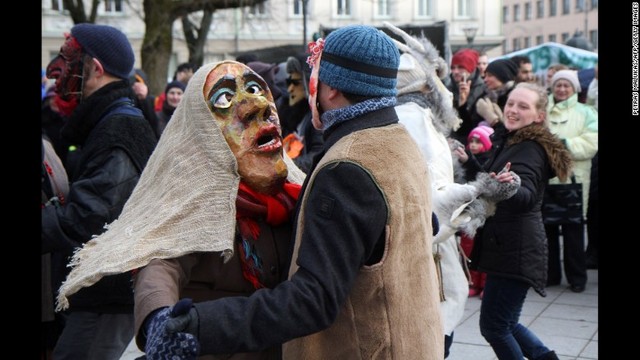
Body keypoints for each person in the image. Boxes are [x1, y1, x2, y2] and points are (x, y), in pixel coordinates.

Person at [58, 24, 444, 359]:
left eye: (259, 90)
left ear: (327, 89)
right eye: (226, 98)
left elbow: (314, 298)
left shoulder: (317, 182)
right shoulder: (195, 200)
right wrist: (161, 318)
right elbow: (161, 258)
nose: (258, 105)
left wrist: (198, 325)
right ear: (202, 127)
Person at [385, 22, 508, 358]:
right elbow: (428, 202)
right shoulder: (414, 119)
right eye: (439, 76)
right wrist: (479, 195)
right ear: (427, 84)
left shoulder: (417, 118)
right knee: (430, 341)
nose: (447, 87)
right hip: (428, 260)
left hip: (431, 259)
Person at [42, 23, 158, 360]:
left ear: (94, 69)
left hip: (107, 300)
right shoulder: (107, 122)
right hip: (102, 296)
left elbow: (89, 214)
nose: (58, 74)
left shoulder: (119, 128)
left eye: (68, 60)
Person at [466, 83, 572, 360]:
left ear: (538, 115)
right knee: (506, 323)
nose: (513, 110)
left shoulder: (529, 148)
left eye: (523, 106)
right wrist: (469, 161)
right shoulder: (513, 139)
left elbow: (524, 192)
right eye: (511, 103)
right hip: (510, 245)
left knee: (495, 327)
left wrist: (512, 185)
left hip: (515, 249)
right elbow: (493, 179)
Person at [545, 70, 598, 293]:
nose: (562, 89)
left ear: (575, 88)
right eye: (558, 85)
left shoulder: (587, 112)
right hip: (546, 178)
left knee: (573, 231)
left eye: (567, 85)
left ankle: (577, 278)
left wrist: (560, 143)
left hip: (574, 180)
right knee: (547, 230)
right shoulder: (542, 110)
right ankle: (550, 276)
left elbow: (591, 144)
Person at [276, 53, 324, 174]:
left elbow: (318, 156)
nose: (290, 88)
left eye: (295, 82)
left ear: (309, 83)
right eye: (288, 82)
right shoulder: (290, 114)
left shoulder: (317, 118)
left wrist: (285, 168)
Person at [446, 48, 487, 144]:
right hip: (451, 141)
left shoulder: (484, 89)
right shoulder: (447, 88)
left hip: (475, 144)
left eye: (460, 67)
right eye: (453, 67)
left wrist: (464, 103)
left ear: (471, 68)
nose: (455, 71)